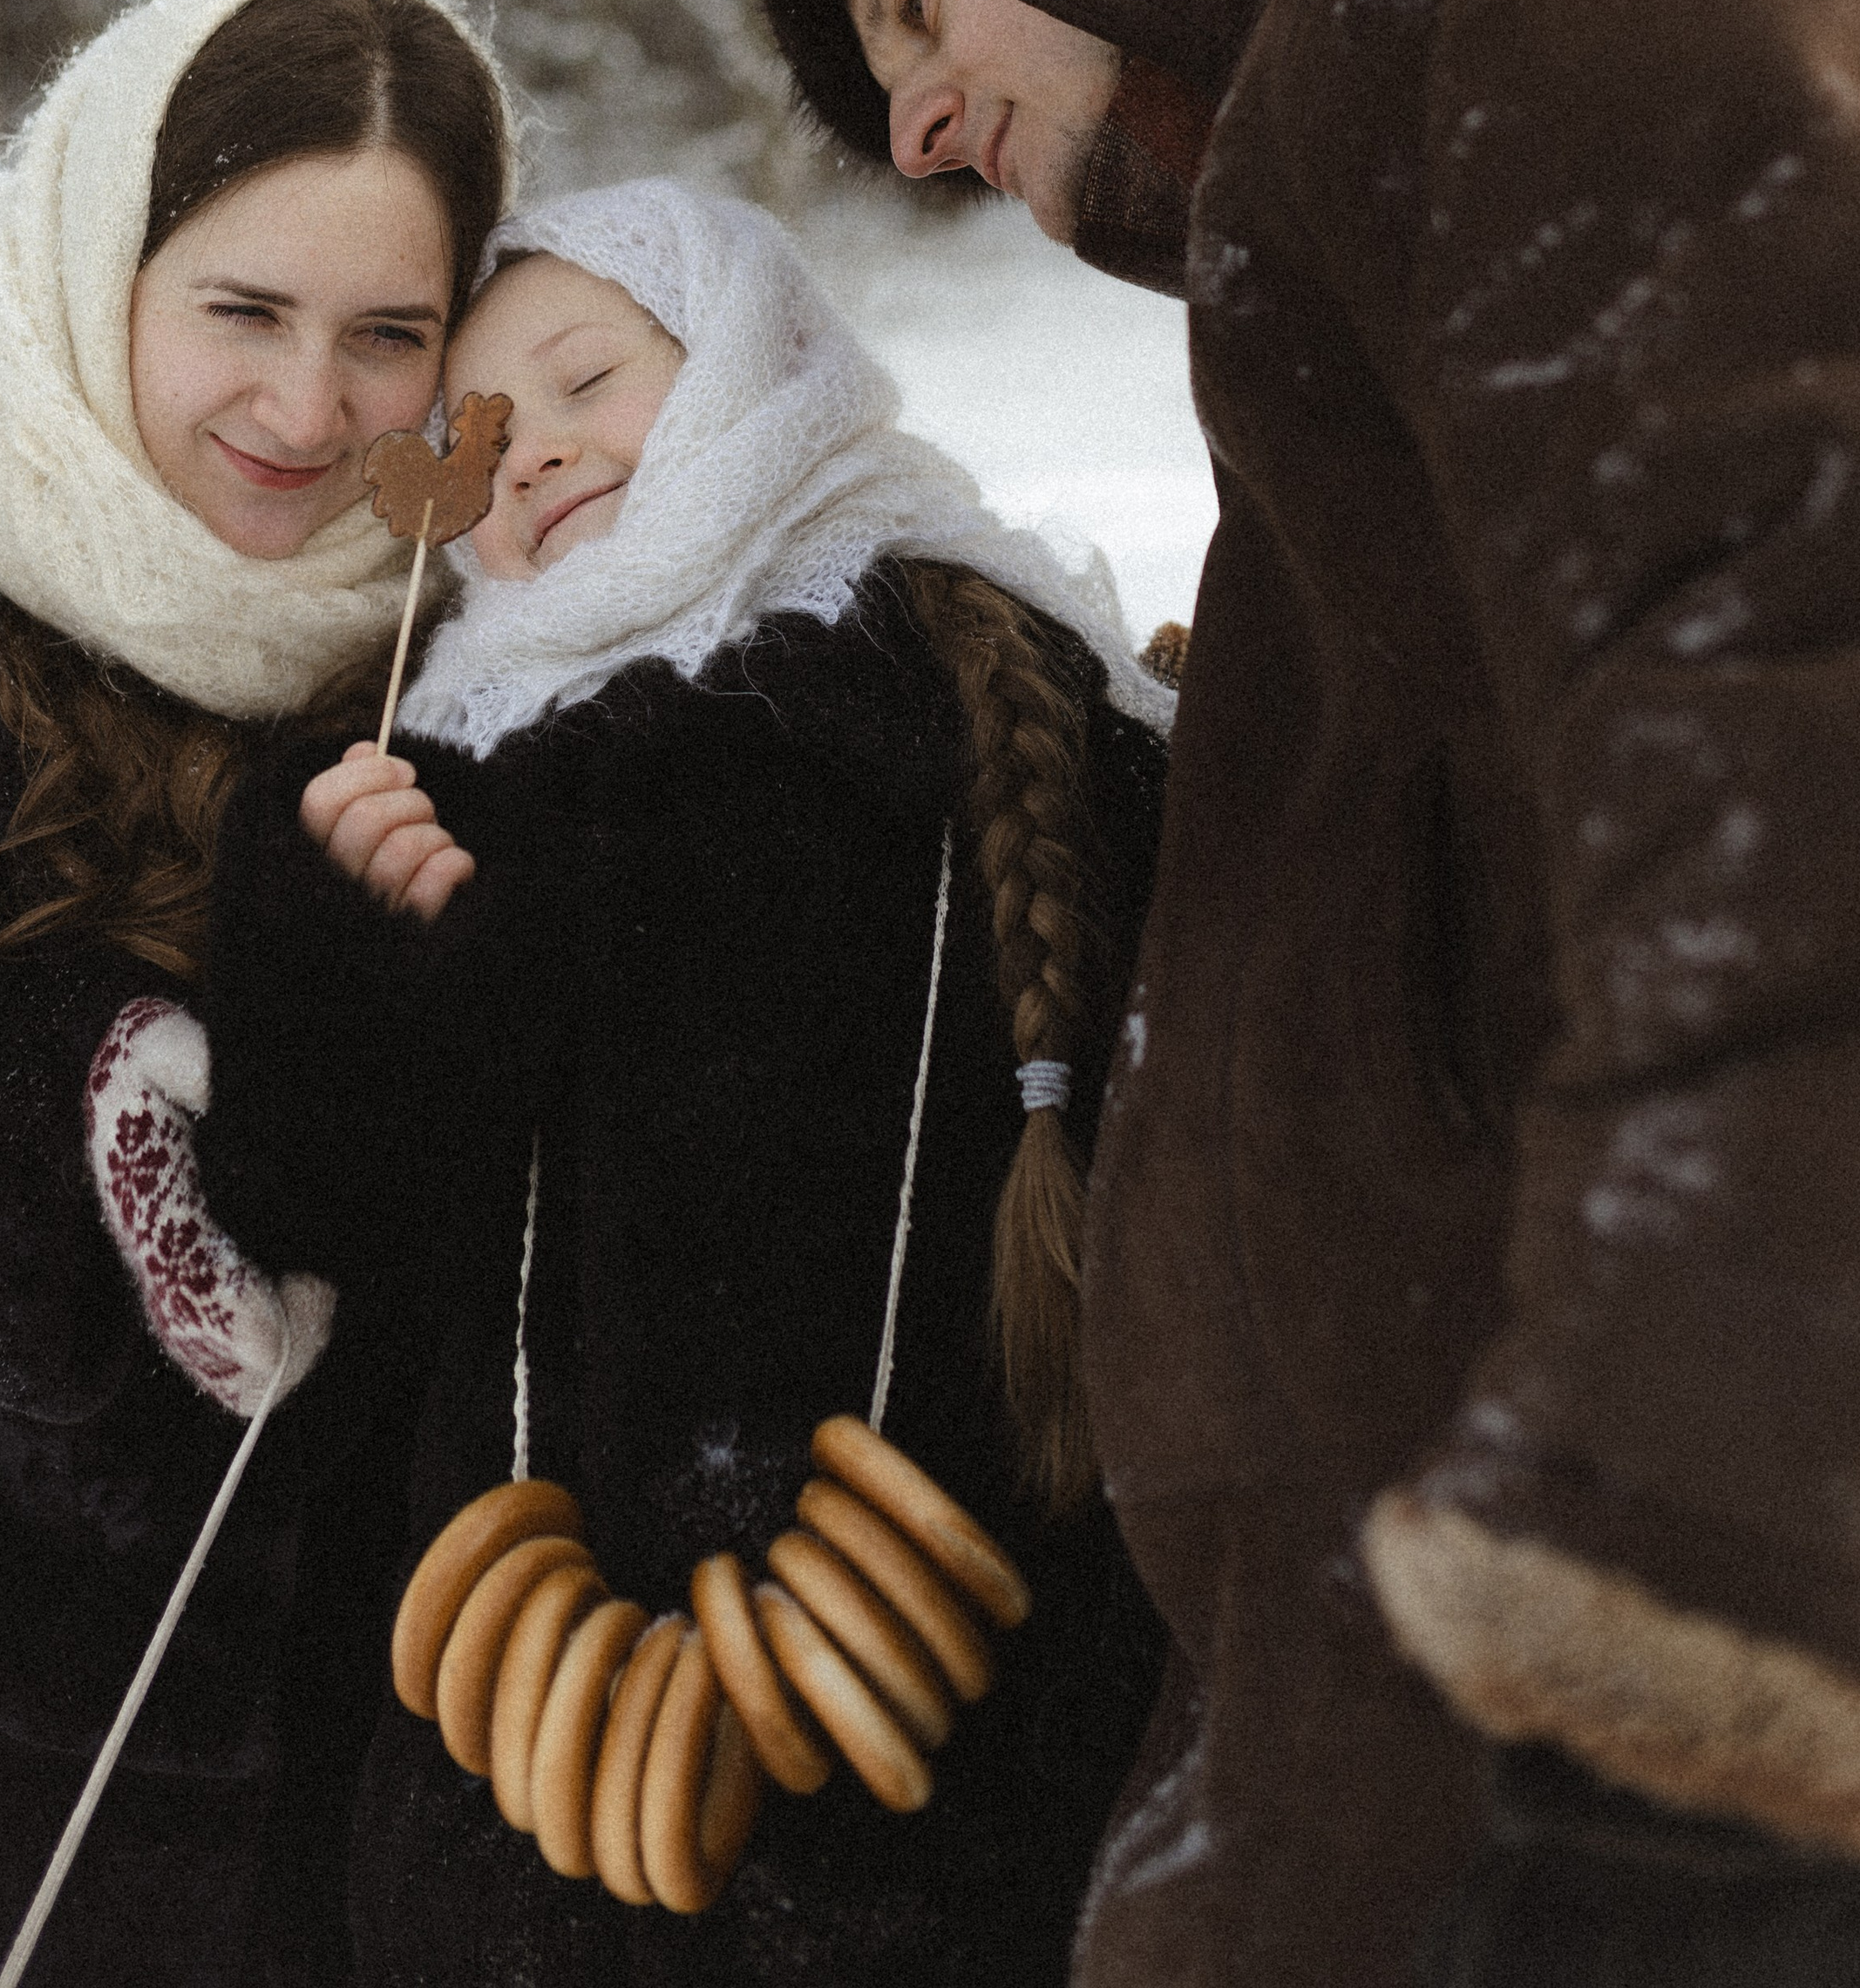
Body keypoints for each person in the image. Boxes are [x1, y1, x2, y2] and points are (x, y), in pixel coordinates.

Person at [736, 0, 1860, 1988]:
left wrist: (1699, 1702)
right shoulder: (1354, 144)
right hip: (1398, 1774)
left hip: (1636, 1794)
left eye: (909, 3)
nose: (906, 127)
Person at [190, 178, 1174, 1986]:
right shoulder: (440, 757)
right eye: (472, 437)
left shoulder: (954, 670)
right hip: (513, 1734)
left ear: (750, 361)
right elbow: (318, 1216)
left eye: (588, 379)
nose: (538, 453)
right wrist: (331, 938)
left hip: (948, 1686)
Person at [0, 0, 512, 1988]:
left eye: (388, 336)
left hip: (307, 1809)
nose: (304, 409)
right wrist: (98, 1104)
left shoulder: (463, 639)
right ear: (105, 262)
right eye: (241, 311)